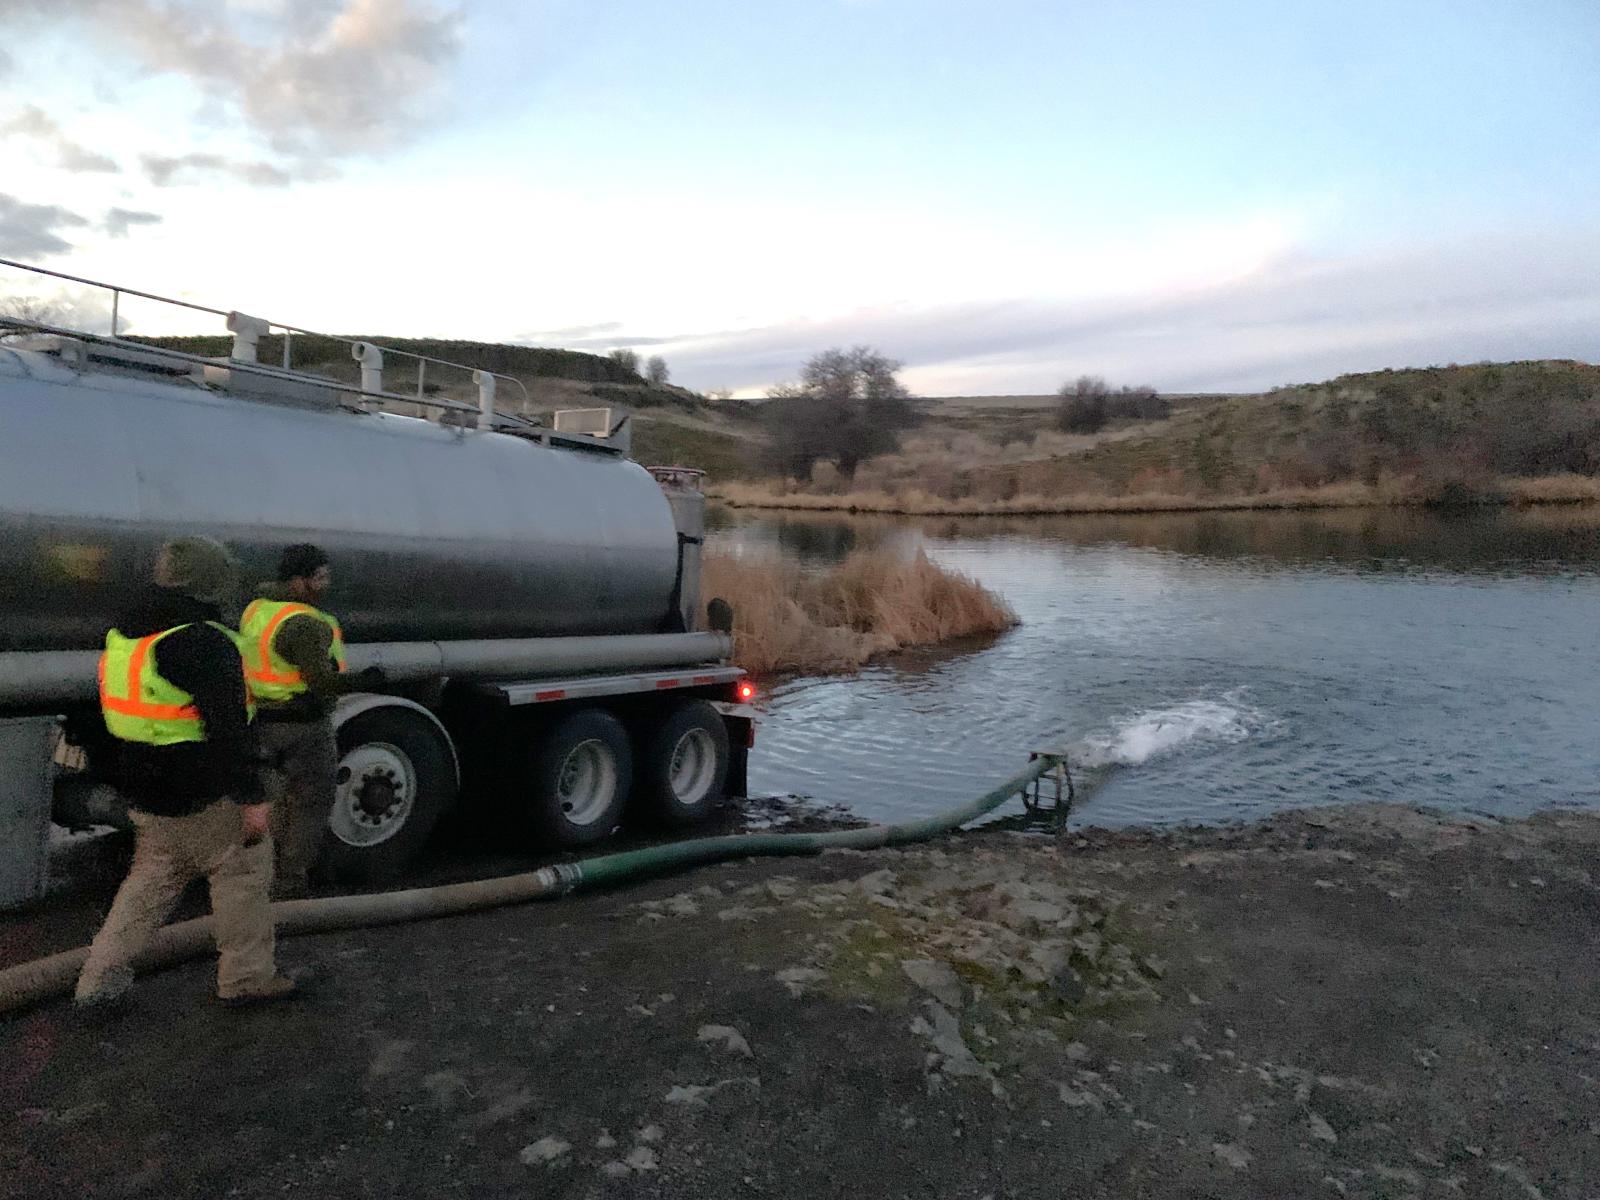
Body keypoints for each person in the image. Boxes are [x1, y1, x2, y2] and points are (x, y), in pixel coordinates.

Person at [76, 536, 298, 1009]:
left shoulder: (127, 632)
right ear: (210, 578)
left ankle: (97, 981)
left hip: (148, 787)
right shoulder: (202, 640)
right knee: (241, 873)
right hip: (202, 790)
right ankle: (247, 979)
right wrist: (251, 798)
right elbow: (228, 733)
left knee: (150, 883)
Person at [241, 544, 380, 898]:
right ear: (299, 581)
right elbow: (321, 681)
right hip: (303, 725)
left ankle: (262, 874)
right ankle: (290, 882)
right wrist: (366, 680)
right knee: (310, 803)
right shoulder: (303, 623)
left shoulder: (257, 610)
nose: (326, 583)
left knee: (275, 801)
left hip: (264, 719)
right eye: (320, 577)